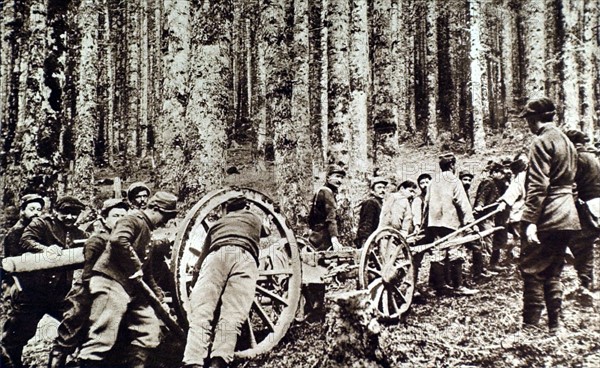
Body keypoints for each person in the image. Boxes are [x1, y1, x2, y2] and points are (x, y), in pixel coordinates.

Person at [77, 192, 178, 367]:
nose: (166, 221)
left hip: (130, 289)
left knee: (150, 330)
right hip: (110, 282)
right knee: (102, 338)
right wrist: (135, 266)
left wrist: (160, 300)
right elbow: (118, 240)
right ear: (154, 209)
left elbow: (147, 274)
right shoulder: (132, 220)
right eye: (165, 216)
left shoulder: (147, 230)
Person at [182, 196, 269, 368]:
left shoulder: (217, 225)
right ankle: (219, 360)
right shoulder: (254, 219)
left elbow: (201, 258)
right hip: (244, 256)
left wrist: (194, 281)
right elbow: (266, 230)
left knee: (202, 312)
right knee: (233, 312)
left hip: (216, 256)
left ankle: (193, 360)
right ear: (247, 206)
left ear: (227, 210)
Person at [1, 196, 87, 368]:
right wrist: (47, 251)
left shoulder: (76, 231)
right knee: (17, 336)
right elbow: (26, 241)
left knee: (77, 327)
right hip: (31, 292)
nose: (70, 217)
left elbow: (90, 244)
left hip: (60, 293)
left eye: (74, 214)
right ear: (55, 211)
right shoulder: (41, 224)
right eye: (65, 213)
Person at [519, 97, 580, 334]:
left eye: (528, 119)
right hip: (568, 215)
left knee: (532, 269)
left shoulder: (542, 141)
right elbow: (572, 184)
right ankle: (556, 325)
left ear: (535, 119)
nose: (528, 124)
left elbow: (537, 186)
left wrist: (531, 221)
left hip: (548, 215)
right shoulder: (567, 141)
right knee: (553, 271)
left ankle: (530, 328)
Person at [48, 199, 129, 368]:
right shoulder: (97, 240)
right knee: (72, 329)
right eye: (115, 215)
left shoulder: (125, 239)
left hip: (113, 291)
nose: (119, 219)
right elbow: (88, 274)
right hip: (87, 290)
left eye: (123, 216)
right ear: (104, 218)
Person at [423, 152, 478, 296]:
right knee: (455, 251)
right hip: (450, 222)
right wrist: (470, 223)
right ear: (452, 165)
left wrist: (425, 223)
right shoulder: (454, 180)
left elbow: (426, 203)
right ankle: (458, 286)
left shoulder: (433, 181)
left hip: (434, 223)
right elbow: (463, 203)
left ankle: (440, 286)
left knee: (437, 253)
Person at [566, 129, 600, 291]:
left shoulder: (576, 158)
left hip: (586, 204)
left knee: (581, 243)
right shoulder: (592, 157)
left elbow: (572, 185)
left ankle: (586, 282)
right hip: (596, 203)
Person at [473, 162, 505, 276]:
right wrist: (480, 206)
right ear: (494, 172)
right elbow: (482, 196)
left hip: (490, 216)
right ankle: (483, 268)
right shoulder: (489, 182)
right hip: (484, 217)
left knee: (487, 241)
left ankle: (484, 268)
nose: (502, 175)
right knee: (486, 242)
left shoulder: (495, 183)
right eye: (501, 173)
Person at [308, 164, 346, 250]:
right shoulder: (327, 192)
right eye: (337, 176)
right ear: (328, 177)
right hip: (324, 238)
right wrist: (334, 238)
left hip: (315, 236)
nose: (339, 180)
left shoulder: (320, 191)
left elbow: (311, 218)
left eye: (341, 178)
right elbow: (331, 217)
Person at [355, 177, 388, 247]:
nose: (382, 190)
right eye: (379, 188)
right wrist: (365, 242)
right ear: (372, 191)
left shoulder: (381, 204)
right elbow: (366, 223)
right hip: (369, 239)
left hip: (377, 239)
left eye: (384, 188)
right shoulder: (370, 202)